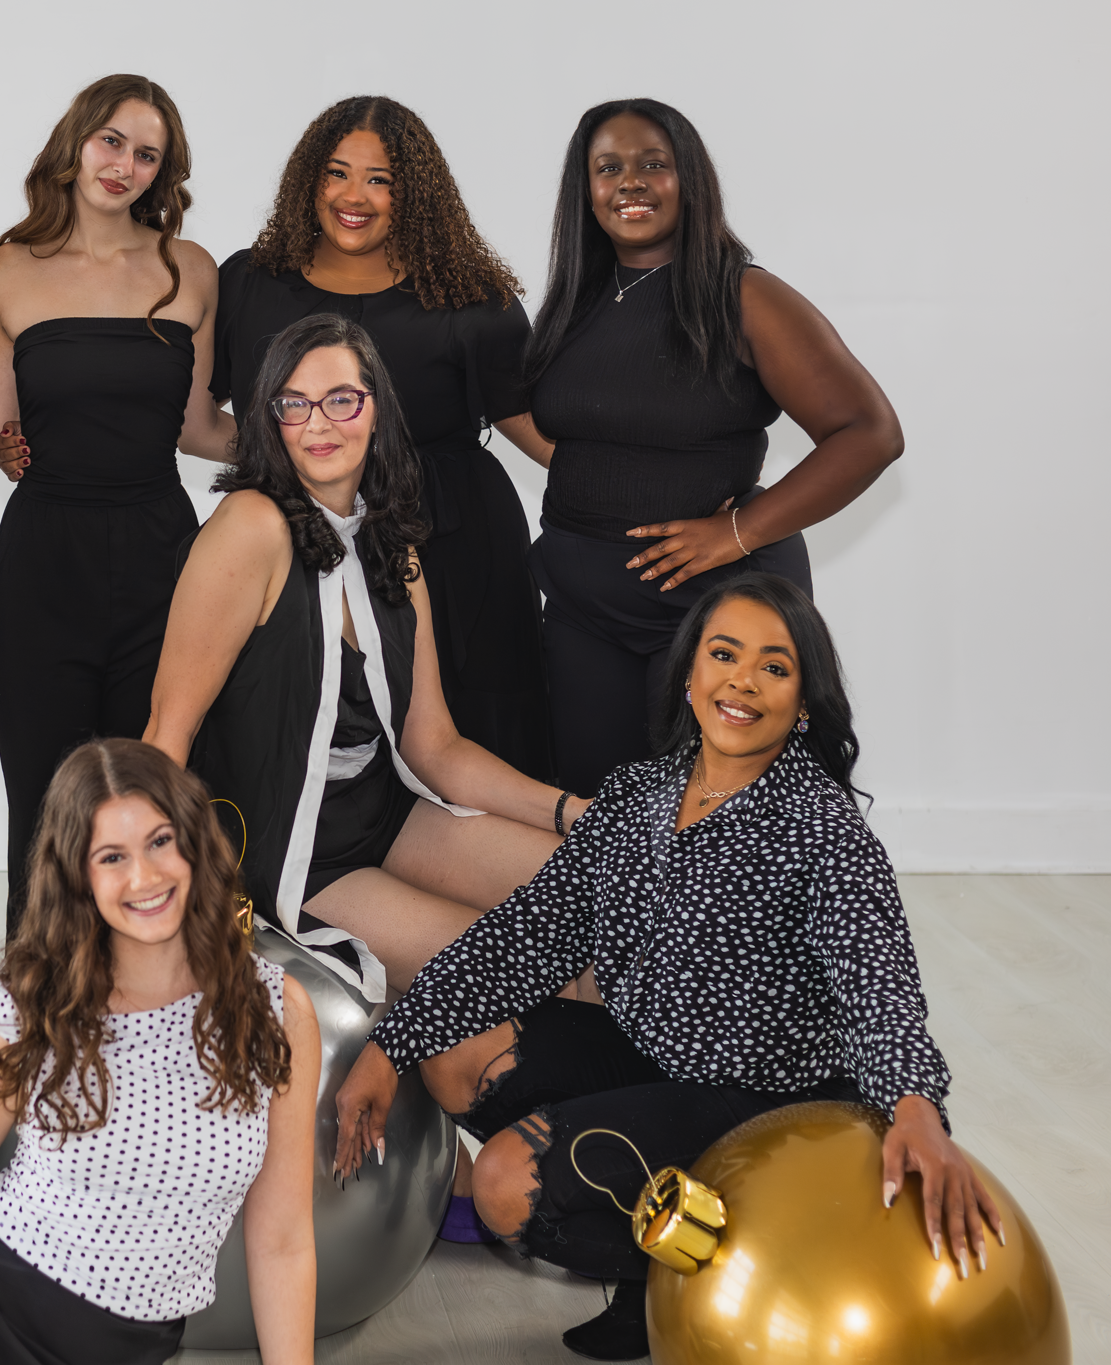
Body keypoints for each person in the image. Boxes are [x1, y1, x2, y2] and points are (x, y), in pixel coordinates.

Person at [331, 573, 997, 1361]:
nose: (743, 680)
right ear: (689, 673)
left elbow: (878, 984)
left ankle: (689, 1274)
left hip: (768, 1103)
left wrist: (916, 1107)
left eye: (775, 667)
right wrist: (390, 1043)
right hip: (653, 1055)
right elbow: (525, 935)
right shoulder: (636, 796)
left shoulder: (823, 828)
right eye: (724, 653)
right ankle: (662, 1261)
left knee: (511, 1188)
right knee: (450, 1050)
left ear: (805, 701)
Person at [0, 739, 320, 1365]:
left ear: (194, 840)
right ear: (78, 875)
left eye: (160, 841)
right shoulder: (34, 1004)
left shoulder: (276, 1011)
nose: (145, 877)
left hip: (122, 1346)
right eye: (112, 856)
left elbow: (284, 1241)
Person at [145, 314, 580, 1004]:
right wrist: (157, 899)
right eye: (295, 403)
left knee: (608, 892)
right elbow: (168, 733)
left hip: (388, 818)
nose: (320, 423)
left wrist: (572, 812)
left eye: (342, 398)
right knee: (544, 961)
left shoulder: (392, 544)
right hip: (292, 855)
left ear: (377, 408)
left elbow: (434, 747)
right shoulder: (251, 527)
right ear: (272, 420)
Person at [524, 97, 903, 797]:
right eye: (608, 167)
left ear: (689, 180)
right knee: (598, 812)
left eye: (653, 164)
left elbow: (870, 433)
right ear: (586, 190)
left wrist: (737, 531)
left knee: (720, 816)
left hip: (708, 610)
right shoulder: (577, 297)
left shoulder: (743, 294)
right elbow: (566, 421)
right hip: (583, 612)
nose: (630, 181)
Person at [195, 95, 554, 781]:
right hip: (295, 535)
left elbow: (532, 430)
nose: (353, 196)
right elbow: (187, 410)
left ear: (414, 194)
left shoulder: (473, 297)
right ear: (309, 181)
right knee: (299, 740)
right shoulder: (248, 282)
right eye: (336, 173)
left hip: (452, 539)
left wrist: (656, 494)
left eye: (380, 179)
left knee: (469, 732)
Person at [0, 74, 228, 931]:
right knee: (46, 805)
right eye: (112, 141)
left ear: (164, 173)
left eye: (147, 154)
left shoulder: (190, 270)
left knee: (157, 802)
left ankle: (159, 1016)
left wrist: (331, 437)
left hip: (164, 559)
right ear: (76, 141)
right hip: (45, 559)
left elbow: (200, 430)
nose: (124, 165)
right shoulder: (6, 271)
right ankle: (35, 1022)